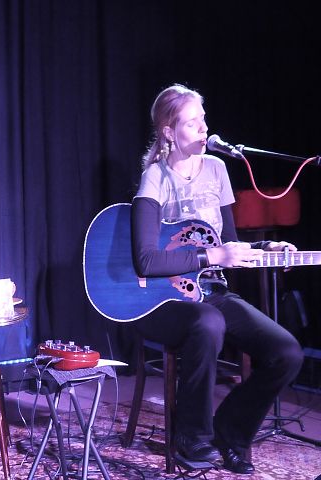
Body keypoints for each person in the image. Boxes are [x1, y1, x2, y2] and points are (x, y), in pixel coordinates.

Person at [130, 84, 304, 474]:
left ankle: (230, 433)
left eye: (203, 119)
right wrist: (213, 256)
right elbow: (145, 260)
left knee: (287, 353)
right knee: (208, 322)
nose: (204, 128)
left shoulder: (216, 169)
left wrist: (268, 249)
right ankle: (191, 437)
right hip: (161, 300)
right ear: (169, 131)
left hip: (211, 291)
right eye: (193, 123)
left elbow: (228, 243)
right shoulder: (155, 177)